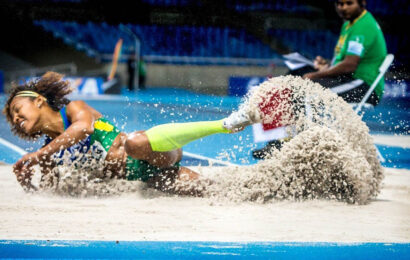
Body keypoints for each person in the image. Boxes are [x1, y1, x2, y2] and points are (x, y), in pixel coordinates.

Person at [3, 72, 255, 193]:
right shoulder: (49, 151)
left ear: (37, 100)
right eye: (13, 118)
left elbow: (83, 129)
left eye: (17, 108)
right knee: (215, 190)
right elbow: (52, 192)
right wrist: (29, 186)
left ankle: (224, 124)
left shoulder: (73, 110)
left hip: (152, 148)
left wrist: (36, 156)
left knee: (134, 143)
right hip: (145, 176)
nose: (15, 118)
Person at [253, 0, 388, 159]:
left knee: (304, 90)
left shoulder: (363, 26)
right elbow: (344, 62)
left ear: (362, 3)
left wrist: (316, 75)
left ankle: (304, 145)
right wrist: (327, 66)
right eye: (339, 3)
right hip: (349, 79)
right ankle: (279, 142)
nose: (343, 8)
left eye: (348, 3)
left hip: (363, 86)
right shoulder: (350, 24)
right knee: (290, 79)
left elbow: (350, 65)